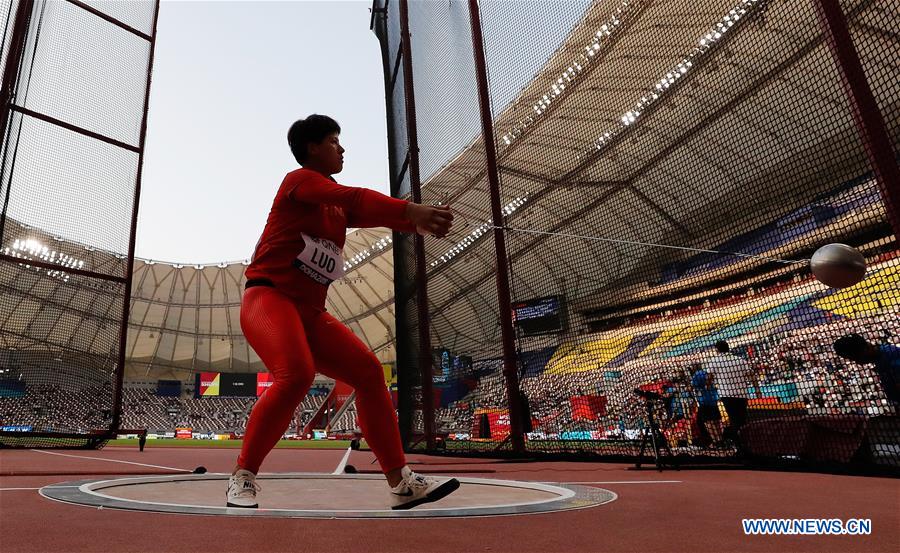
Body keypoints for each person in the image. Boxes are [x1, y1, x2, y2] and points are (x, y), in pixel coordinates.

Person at [227, 114, 458, 510]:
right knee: (296, 375)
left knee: (369, 374)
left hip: (309, 312)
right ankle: (242, 476)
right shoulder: (297, 181)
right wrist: (412, 210)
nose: (342, 148)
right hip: (269, 299)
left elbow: (368, 213)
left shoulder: (336, 209)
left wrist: (410, 221)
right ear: (312, 148)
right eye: (334, 140)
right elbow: (355, 199)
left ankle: (401, 483)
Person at [703, 340, 760, 445]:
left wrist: (707, 385)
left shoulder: (715, 360)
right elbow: (751, 375)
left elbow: (709, 377)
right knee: (742, 419)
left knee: (733, 419)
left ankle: (740, 444)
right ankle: (748, 443)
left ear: (717, 350)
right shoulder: (740, 359)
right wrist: (757, 390)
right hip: (742, 394)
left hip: (727, 395)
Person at [833, 334, 900, 405]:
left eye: (857, 358)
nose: (859, 363)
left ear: (865, 349)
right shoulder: (880, 358)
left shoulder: (892, 355)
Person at [690, 363, 724, 446]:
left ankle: (716, 441)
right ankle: (721, 439)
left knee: (708, 422)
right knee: (717, 420)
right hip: (713, 400)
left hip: (704, 401)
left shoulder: (696, 375)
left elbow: (692, 387)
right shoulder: (707, 373)